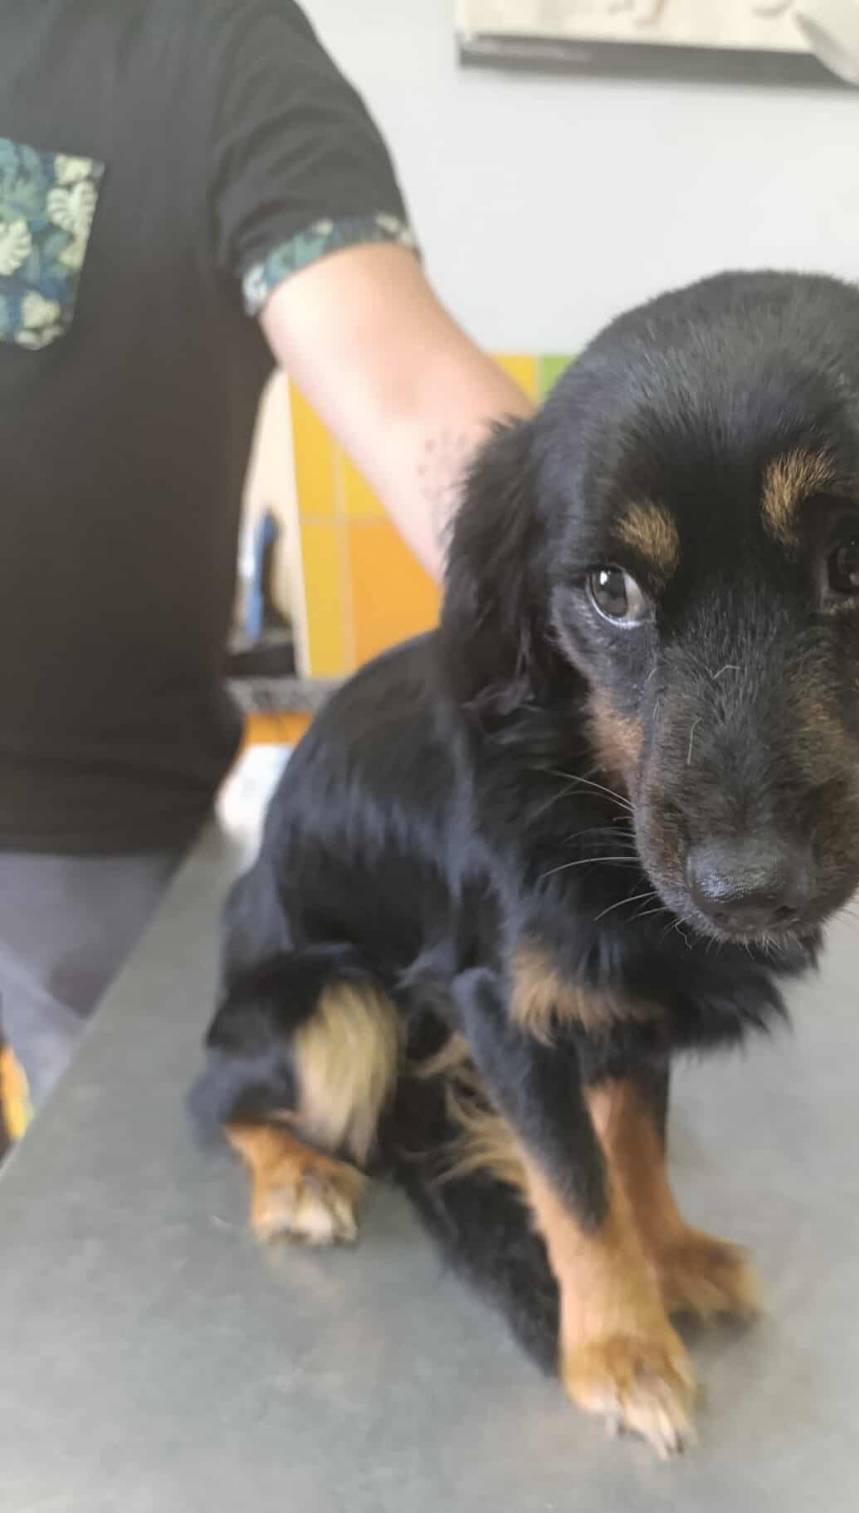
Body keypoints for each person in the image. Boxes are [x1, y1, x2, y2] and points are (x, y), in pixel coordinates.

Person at [0, 0, 532, 1125]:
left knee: (123, 1177)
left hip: (82, 837)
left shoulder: (214, 39)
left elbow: (411, 396)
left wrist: (614, 632)